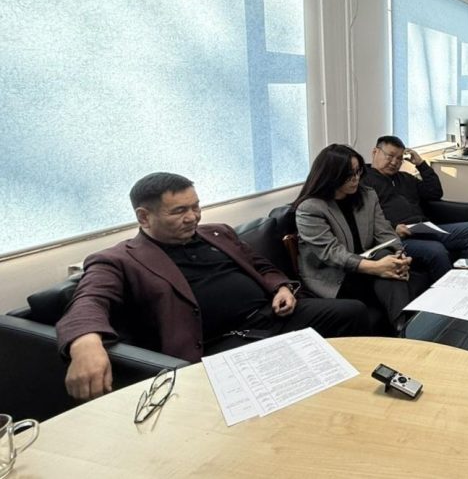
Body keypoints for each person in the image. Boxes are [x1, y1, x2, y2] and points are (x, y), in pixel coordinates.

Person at [56, 172, 370, 401]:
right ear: (144, 216)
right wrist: (85, 344)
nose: (193, 217)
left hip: (274, 315)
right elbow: (88, 301)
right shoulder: (118, 259)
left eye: (195, 206)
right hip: (222, 342)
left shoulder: (218, 233)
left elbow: (262, 266)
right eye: (179, 211)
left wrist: (281, 288)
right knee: (281, 380)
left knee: (353, 312)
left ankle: (348, 391)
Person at [293, 144, 414, 333]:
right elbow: (332, 253)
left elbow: (385, 233)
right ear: (331, 175)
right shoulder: (310, 208)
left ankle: (403, 328)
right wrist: (376, 267)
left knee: (389, 261)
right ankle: (405, 329)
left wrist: (399, 256)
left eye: (358, 172)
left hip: (365, 263)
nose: (356, 178)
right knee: (389, 274)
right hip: (334, 275)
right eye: (349, 175)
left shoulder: (367, 195)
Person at [361, 135, 468, 285]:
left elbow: (435, 192)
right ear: (375, 152)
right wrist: (393, 228)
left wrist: (421, 164)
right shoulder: (364, 182)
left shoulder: (405, 178)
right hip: (397, 237)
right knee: (436, 250)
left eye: (399, 158)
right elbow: (364, 218)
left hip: (423, 229)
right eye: (390, 156)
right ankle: (450, 289)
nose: (394, 162)